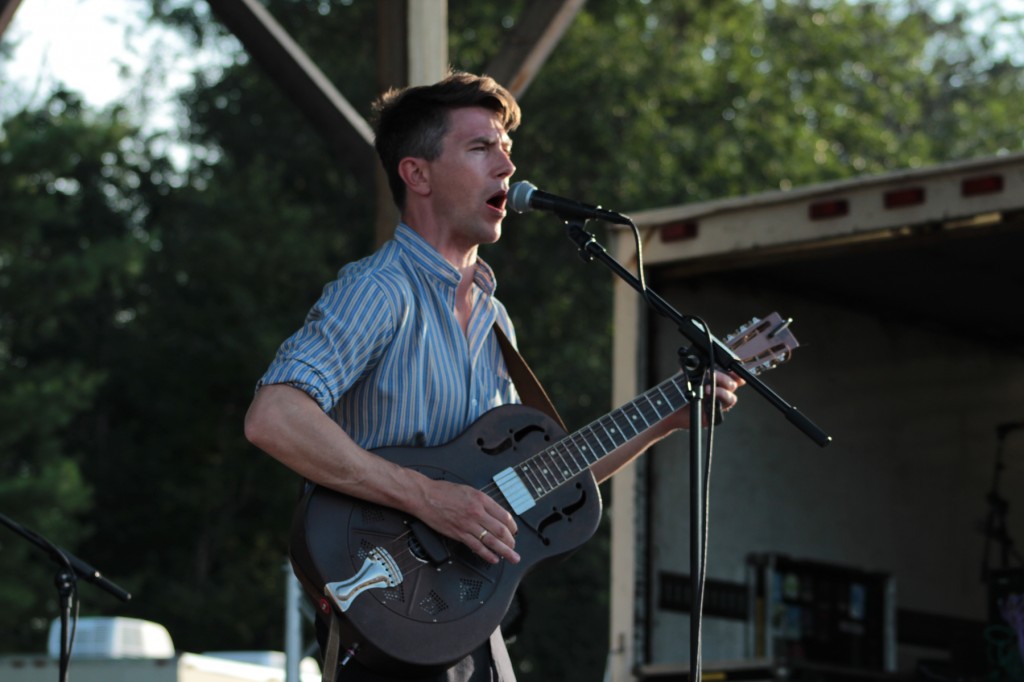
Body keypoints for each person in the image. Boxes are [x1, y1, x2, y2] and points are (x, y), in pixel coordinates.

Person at [243, 69, 743, 682]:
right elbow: (274, 417)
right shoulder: (379, 291)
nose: (507, 166)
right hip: (385, 615)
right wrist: (427, 498)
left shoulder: (496, 319)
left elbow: (535, 484)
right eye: (481, 147)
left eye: (506, 148)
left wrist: (667, 418)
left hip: (468, 622)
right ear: (417, 174)